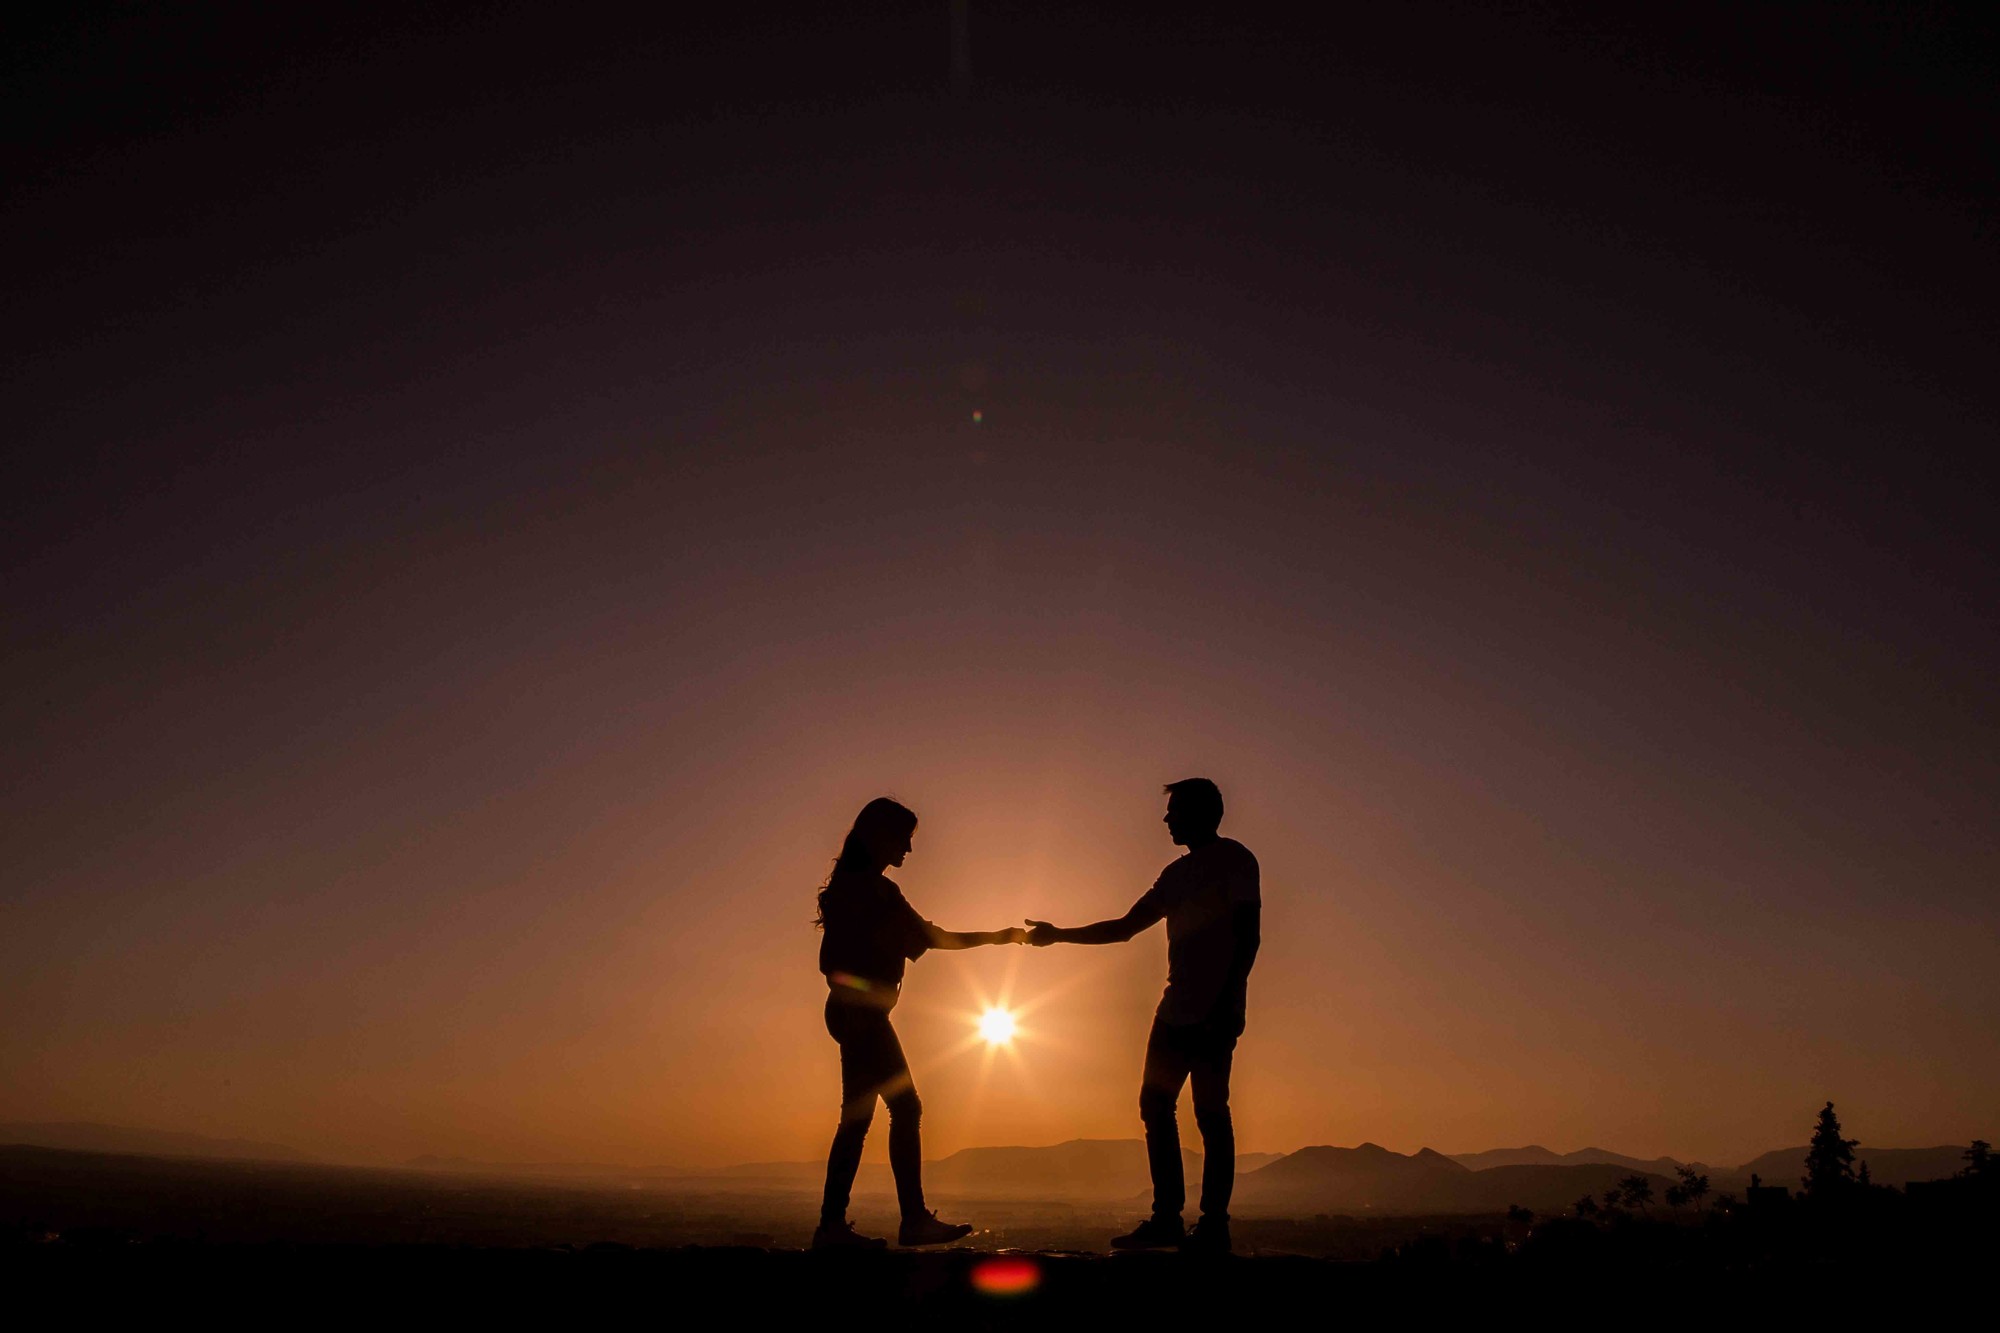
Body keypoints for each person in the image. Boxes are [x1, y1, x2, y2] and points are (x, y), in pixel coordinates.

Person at [1027, 778, 1260, 1254]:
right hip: (1175, 1011)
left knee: (1210, 1115)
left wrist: (1229, 1000)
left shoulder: (1235, 859)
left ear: (1201, 813)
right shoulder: (1175, 876)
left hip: (1213, 1012)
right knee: (1159, 1108)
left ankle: (1212, 1224)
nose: (1166, 819)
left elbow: (1248, 935)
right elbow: (1124, 928)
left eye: (1174, 811)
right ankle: (1169, 1219)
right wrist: (1059, 935)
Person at [813, 796, 1025, 1250]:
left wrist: (996, 938)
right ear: (880, 838)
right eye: (903, 839)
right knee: (905, 1108)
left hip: (858, 1015)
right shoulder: (863, 890)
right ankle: (910, 1220)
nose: (908, 849)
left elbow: (929, 938)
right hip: (860, 1016)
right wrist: (866, 996)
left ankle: (833, 1227)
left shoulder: (874, 889)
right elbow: (831, 963)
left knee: (859, 1120)